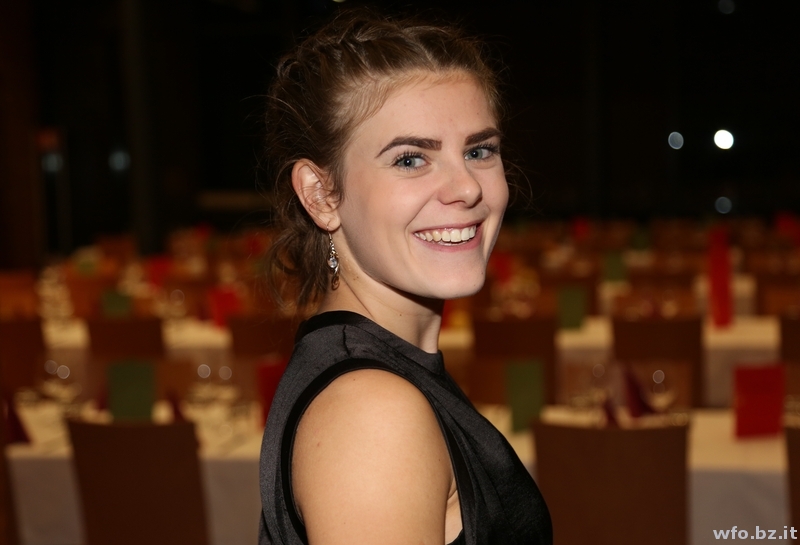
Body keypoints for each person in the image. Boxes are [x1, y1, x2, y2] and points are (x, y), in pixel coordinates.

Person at [259, 9, 552, 545]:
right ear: (322, 195)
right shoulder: (372, 413)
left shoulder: (372, 370)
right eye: (411, 159)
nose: (467, 187)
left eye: (479, 150)